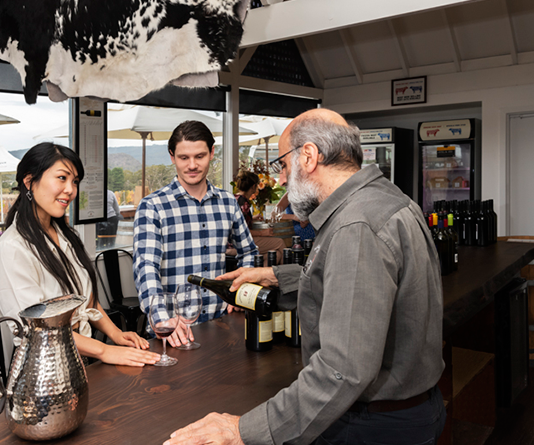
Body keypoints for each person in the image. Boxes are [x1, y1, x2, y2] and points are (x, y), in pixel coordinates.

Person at [165, 109, 446, 445]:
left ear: (309, 157)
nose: (281, 179)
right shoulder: (384, 199)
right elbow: (356, 282)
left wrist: (242, 430)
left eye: (283, 165)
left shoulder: (355, 226)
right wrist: (274, 276)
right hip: (412, 411)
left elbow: (342, 371)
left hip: (373, 426)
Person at [0, 143, 160, 367]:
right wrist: (105, 350)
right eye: (62, 178)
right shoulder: (12, 248)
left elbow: (86, 298)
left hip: (81, 359)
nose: (70, 189)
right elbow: (39, 329)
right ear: (29, 181)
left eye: (75, 181)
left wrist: (117, 335)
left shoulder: (66, 236)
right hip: (44, 370)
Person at [133, 120, 258, 347]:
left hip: (223, 324)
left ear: (211, 153)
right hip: (175, 332)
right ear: (172, 156)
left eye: (199, 156)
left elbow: (249, 252)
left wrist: (243, 289)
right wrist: (163, 322)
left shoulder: (229, 203)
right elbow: (146, 269)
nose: (192, 165)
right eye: (183, 158)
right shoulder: (152, 206)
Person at [234, 170, 285, 265]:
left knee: (276, 254)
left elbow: (238, 221)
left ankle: (261, 278)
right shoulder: (243, 202)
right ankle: (288, 276)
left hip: (232, 243)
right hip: (238, 244)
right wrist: (263, 233)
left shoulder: (236, 198)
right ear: (253, 186)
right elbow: (241, 231)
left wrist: (252, 218)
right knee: (280, 242)